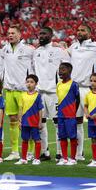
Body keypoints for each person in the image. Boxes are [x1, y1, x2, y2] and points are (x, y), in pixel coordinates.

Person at [68, 24, 96, 161]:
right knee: (77, 121)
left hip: (89, 89)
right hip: (74, 88)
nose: (79, 32)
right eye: (78, 30)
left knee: (94, 120)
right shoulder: (73, 46)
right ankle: (79, 154)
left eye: (83, 30)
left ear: (89, 33)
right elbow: (66, 53)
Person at [33, 26, 70, 162]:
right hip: (40, 92)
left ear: (51, 35)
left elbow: (68, 68)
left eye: (43, 33)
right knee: (40, 123)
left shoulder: (58, 51)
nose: (41, 36)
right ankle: (44, 151)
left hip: (55, 92)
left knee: (57, 122)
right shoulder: (36, 52)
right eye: (39, 33)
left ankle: (60, 152)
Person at [0, 25, 35, 161]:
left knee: (27, 122)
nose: (10, 35)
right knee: (13, 120)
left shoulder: (29, 50)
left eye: (13, 33)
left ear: (20, 35)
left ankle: (31, 151)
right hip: (9, 90)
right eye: (8, 33)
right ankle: (15, 151)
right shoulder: (5, 49)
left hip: (23, 91)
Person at [15, 75, 44, 166]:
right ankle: (23, 158)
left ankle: (37, 158)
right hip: (25, 122)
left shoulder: (38, 96)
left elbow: (40, 110)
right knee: (24, 140)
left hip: (34, 122)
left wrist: (40, 122)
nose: (29, 84)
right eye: (27, 82)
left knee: (37, 140)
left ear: (36, 84)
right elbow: (20, 109)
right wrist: (19, 121)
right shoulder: (22, 95)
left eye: (31, 82)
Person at [56, 62, 80, 166]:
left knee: (72, 136)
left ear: (69, 71)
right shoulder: (58, 84)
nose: (60, 72)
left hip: (70, 115)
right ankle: (64, 158)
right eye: (59, 69)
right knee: (62, 136)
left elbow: (78, 99)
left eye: (63, 69)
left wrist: (73, 111)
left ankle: (73, 158)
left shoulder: (74, 84)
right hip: (61, 115)